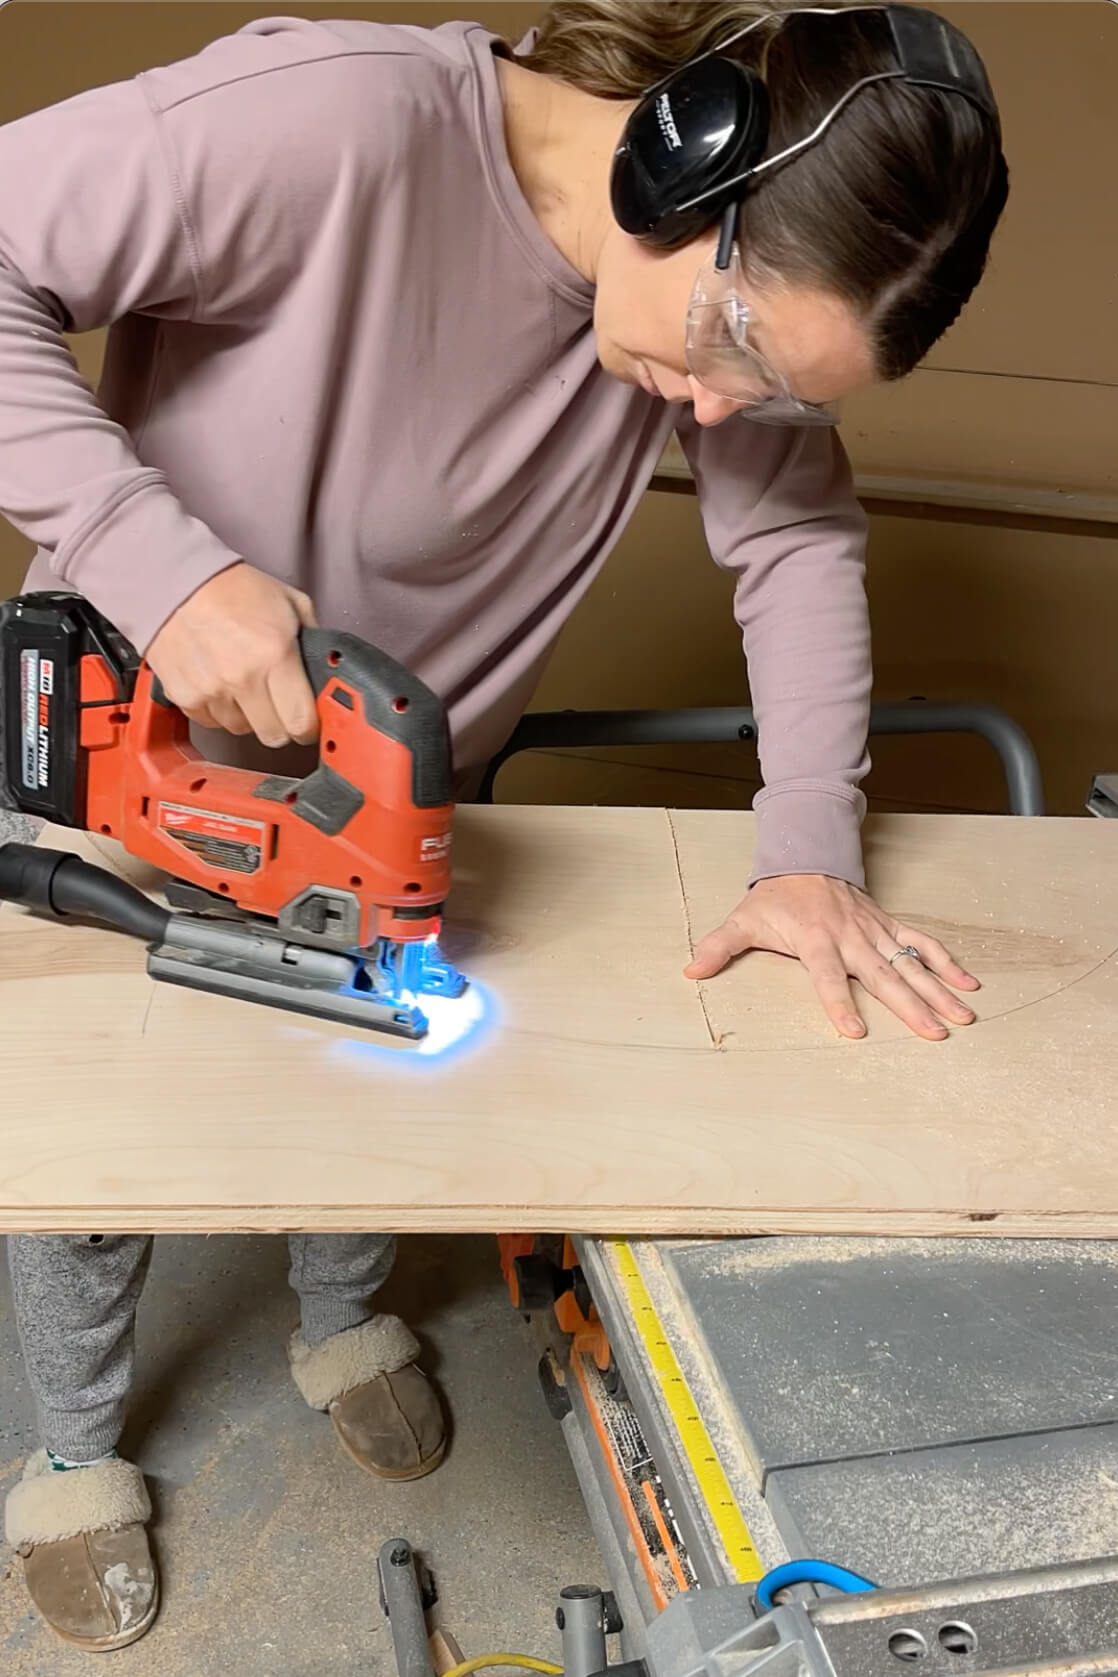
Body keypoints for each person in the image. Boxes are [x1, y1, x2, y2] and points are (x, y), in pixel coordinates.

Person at [0, 0, 1007, 1649]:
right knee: (97, 1149)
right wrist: (159, 563)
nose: (721, 414)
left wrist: (808, 846)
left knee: (383, 1068)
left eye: (774, 391)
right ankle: (75, 1448)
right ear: (687, 166)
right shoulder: (332, 125)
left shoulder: (705, 333)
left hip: (398, 781)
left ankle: (340, 1325)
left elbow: (799, 548)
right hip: (135, 735)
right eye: (736, 349)